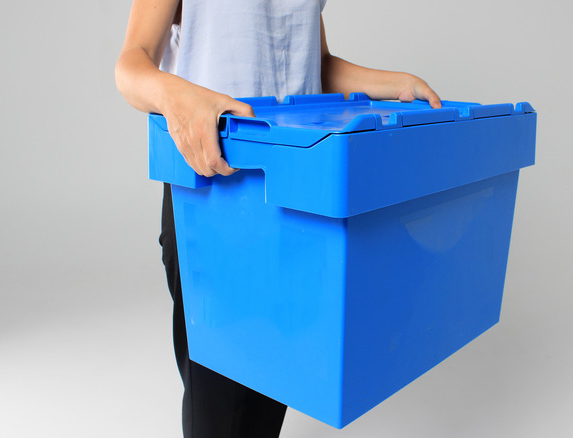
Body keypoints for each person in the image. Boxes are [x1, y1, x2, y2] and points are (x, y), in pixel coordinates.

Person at [115, 1, 441, 437]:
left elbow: (315, 65)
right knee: (219, 404)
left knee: (275, 382)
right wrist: (179, 96)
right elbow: (131, 63)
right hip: (212, 195)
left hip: (295, 195)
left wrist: (393, 84)